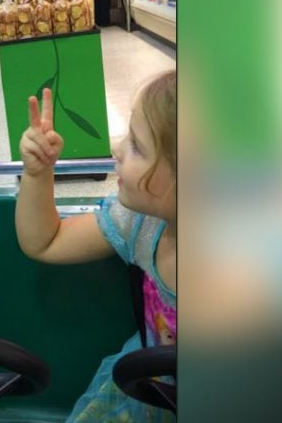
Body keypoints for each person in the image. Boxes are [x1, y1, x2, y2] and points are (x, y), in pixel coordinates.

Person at [15, 71, 176, 422]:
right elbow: (46, 241)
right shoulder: (142, 224)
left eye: (136, 145)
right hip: (145, 391)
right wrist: (38, 174)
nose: (116, 147)